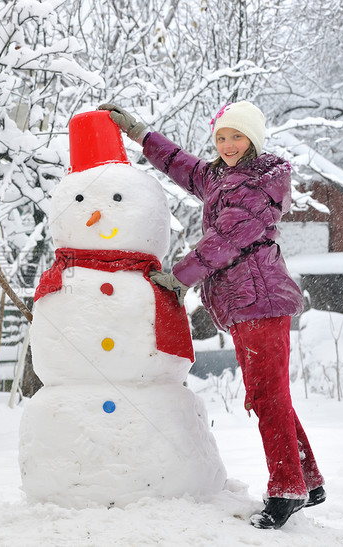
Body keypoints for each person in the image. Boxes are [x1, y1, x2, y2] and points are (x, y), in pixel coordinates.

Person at [99, 101, 325, 530]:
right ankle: (306, 480)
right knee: (268, 394)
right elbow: (180, 164)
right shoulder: (220, 178)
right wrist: (141, 134)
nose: (227, 145)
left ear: (253, 139)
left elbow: (227, 239)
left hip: (261, 302)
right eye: (221, 137)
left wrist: (180, 277)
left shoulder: (259, 185)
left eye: (236, 137)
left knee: (267, 397)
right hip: (244, 305)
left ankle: (286, 489)